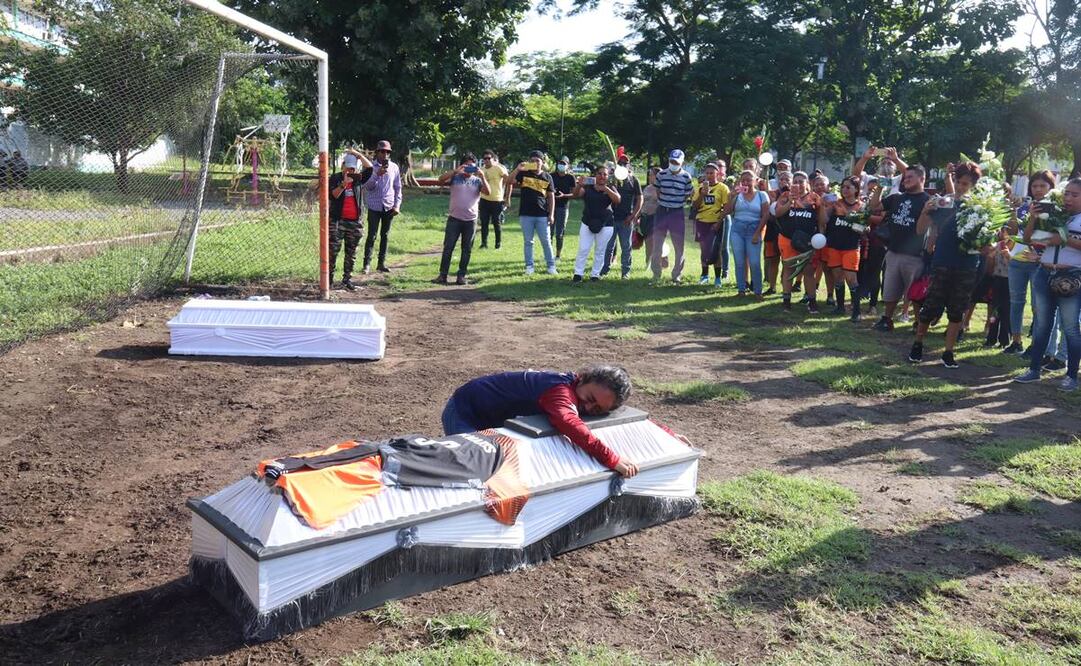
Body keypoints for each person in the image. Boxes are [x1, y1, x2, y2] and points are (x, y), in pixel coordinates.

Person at [442, 366, 641, 476]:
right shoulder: (560, 392)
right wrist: (611, 459)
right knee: (469, 468)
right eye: (589, 399)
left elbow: (624, 418)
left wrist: (667, 433)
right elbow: (568, 422)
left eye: (597, 409)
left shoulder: (576, 392)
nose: (588, 409)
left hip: (494, 419)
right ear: (582, 379)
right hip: (465, 411)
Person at [907, 162, 984, 368]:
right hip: (942, 261)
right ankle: (918, 344)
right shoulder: (942, 202)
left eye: (965, 183)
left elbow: (987, 238)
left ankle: (948, 352)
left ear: (973, 185)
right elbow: (920, 230)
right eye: (958, 182)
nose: (960, 187)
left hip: (967, 263)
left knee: (957, 309)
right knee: (931, 304)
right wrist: (925, 211)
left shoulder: (980, 207)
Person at [1014, 178, 1081, 392]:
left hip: (1070, 279)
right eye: (1066, 193)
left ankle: (1071, 376)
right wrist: (1034, 218)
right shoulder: (1053, 214)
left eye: (1074, 194)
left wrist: (1062, 239)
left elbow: (1067, 242)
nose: (1068, 198)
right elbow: (1027, 238)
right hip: (1044, 273)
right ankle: (1034, 370)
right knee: (1042, 325)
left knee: (1071, 328)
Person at [869, 160, 931, 331]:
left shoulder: (928, 201)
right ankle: (887, 319)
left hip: (915, 255)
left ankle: (917, 322)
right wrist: (880, 188)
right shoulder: (896, 198)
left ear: (922, 178)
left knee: (915, 293)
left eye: (910, 177)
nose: (906, 180)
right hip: (893, 251)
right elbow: (873, 207)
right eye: (905, 177)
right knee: (890, 289)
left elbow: (926, 229)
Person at [1004, 170, 1057, 355]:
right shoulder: (1025, 206)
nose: (1038, 189)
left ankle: (1036, 345)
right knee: (1016, 302)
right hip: (1017, 261)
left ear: (1051, 187)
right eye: (1035, 185)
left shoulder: (1056, 209)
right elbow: (1013, 232)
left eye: (1043, 185)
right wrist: (1012, 211)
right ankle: (1016, 341)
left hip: (1040, 263)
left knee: (1038, 306)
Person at [434, 153, 490, 285]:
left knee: (467, 249)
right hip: (454, 218)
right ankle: (443, 275)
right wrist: (455, 171)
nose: (469, 168)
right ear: (462, 165)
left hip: (471, 220)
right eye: (467, 165)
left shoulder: (477, 180)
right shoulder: (455, 177)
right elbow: (440, 180)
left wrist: (482, 176)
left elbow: (488, 192)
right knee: (448, 247)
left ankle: (461, 276)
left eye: (472, 165)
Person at [772, 172, 823, 312]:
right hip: (787, 238)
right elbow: (777, 213)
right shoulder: (785, 196)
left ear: (808, 183)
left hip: (806, 240)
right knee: (788, 268)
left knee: (808, 270)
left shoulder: (814, 198)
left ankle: (812, 301)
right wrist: (790, 202)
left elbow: (821, 219)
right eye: (796, 181)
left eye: (801, 181)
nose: (798, 184)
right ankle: (786, 302)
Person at [327, 150, 373, 291]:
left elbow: (370, 167)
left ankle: (347, 279)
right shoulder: (335, 178)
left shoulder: (358, 178)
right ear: (343, 167)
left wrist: (356, 153)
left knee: (351, 253)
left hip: (355, 222)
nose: (350, 170)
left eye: (353, 168)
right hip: (338, 221)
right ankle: (328, 280)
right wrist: (344, 184)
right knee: (333, 251)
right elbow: (333, 195)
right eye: (348, 168)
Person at [822, 176, 867, 320]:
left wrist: (847, 216)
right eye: (843, 186)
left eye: (848, 187)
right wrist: (823, 206)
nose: (845, 190)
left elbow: (863, 229)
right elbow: (824, 221)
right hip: (834, 245)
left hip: (851, 247)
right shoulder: (835, 204)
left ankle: (856, 311)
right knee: (838, 278)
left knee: (851, 279)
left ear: (856, 190)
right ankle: (840, 307)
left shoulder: (861, 206)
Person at [507, 150, 558, 276]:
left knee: (546, 241)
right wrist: (518, 169)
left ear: (542, 162)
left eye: (537, 160)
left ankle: (551, 266)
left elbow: (551, 197)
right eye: (532, 160)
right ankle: (529, 266)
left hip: (542, 214)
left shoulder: (547, 177)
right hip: (526, 214)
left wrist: (551, 214)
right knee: (528, 242)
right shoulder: (523, 174)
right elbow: (508, 181)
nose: (535, 163)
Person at [723, 169, 770, 297]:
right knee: (739, 261)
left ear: (755, 181)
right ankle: (741, 290)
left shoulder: (762, 195)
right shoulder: (737, 195)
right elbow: (726, 212)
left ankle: (758, 291)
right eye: (743, 180)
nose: (746, 182)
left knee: (754, 262)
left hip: (754, 229)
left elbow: (766, 215)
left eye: (749, 180)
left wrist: (757, 233)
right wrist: (731, 196)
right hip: (737, 229)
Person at [571, 165, 621, 282]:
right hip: (588, 222)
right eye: (600, 173)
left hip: (606, 224)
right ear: (595, 175)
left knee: (600, 250)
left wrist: (606, 189)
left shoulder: (611, 187)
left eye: (605, 174)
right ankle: (578, 274)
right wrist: (579, 184)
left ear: (608, 176)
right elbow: (575, 195)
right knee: (583, 249)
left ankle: (595, 274)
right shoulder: (588, 187)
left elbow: (618, 200)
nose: (602, 176)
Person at [651, 149, 694, 283]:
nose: (673, 163)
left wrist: (677, 201)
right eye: (671, 161)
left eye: (676, 162)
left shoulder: (686, 177)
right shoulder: (662, 174)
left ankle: (676, 275)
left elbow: (689, 193)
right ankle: (656, 274)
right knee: (657, 244)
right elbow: (658, 190)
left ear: (682, 162)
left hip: (677, 213)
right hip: (662, 211)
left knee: (679, 245)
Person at [361, 140, 402, 274]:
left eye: (387, 152)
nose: (385, 154)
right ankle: (366, 264)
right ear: (377, 152)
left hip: (389, 206)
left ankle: (381, 264)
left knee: (385, 235)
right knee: (372, 235)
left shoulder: (394, 167)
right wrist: (377, 175)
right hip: (374, 206)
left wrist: (397, 205)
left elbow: (397, 187)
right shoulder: (370, 167)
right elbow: (367, 186)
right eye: (382, 151)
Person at [602, 154, 643, 279]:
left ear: (628, 165)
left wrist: (633, 216)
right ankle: (605, 269)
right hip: (611, 218)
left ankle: (625, 272)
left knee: (626, 247)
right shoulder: (611, 179)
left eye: (625, 164)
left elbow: (640, 199)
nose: (623, 165)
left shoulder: (633, 180)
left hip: (626, 219)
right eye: (621, 163)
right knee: (609, 246)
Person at [691, 162, 730, 286]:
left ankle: (718, 278)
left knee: (716, 250)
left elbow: (727, 207)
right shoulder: (700, 188)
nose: (709, 175)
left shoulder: (723, 188)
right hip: (702, 222)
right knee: (704, 250)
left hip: (716, 223)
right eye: (707, 173)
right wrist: (702, 194)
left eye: (712, 173)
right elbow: (695, 206)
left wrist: (719, 222)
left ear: (717, 174)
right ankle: (704, 275)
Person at [763, 171, 792, 295]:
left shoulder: (795, 195)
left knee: (787, 261)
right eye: (781, 179)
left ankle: (785, 285)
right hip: (772, 230)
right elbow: (768, 213)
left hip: (788, 231)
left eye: (787, 179)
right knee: (773, 260)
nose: (784, 181)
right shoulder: (772, 194)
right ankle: (772, 286)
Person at [478, 150, 511, 249]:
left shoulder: (499, 168)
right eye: (485, 158)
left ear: (493, 158)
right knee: (484, 223)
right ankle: (484, 244)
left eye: (489, 158)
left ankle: (498, 244)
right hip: (484, 200)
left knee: (496, 223)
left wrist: (507, 198)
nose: (487, 160)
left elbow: (509, 182)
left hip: (497, 200)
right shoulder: (481, 170)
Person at [551, 156, 577, 259]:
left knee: (559, 233)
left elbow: (575, 194)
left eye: (563, 164)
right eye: (560, 163)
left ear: (568, 166)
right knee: (549, 233)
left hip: (563, 207)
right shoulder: (551, 175)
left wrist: (564, 195)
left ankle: (558, 255)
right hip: (550, 207)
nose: (561, 165)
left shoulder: (570, 178)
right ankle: (549, 254)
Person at [639, 167, 660, 267]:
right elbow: (641, 203)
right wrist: (638, 216)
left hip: (655, 218)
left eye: (651, 174)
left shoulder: (661, 188)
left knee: (652, 242)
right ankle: (648, 261)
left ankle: (653, 263)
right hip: (644, 218)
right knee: (647, 242)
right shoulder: (647, 188)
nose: (649, 176)